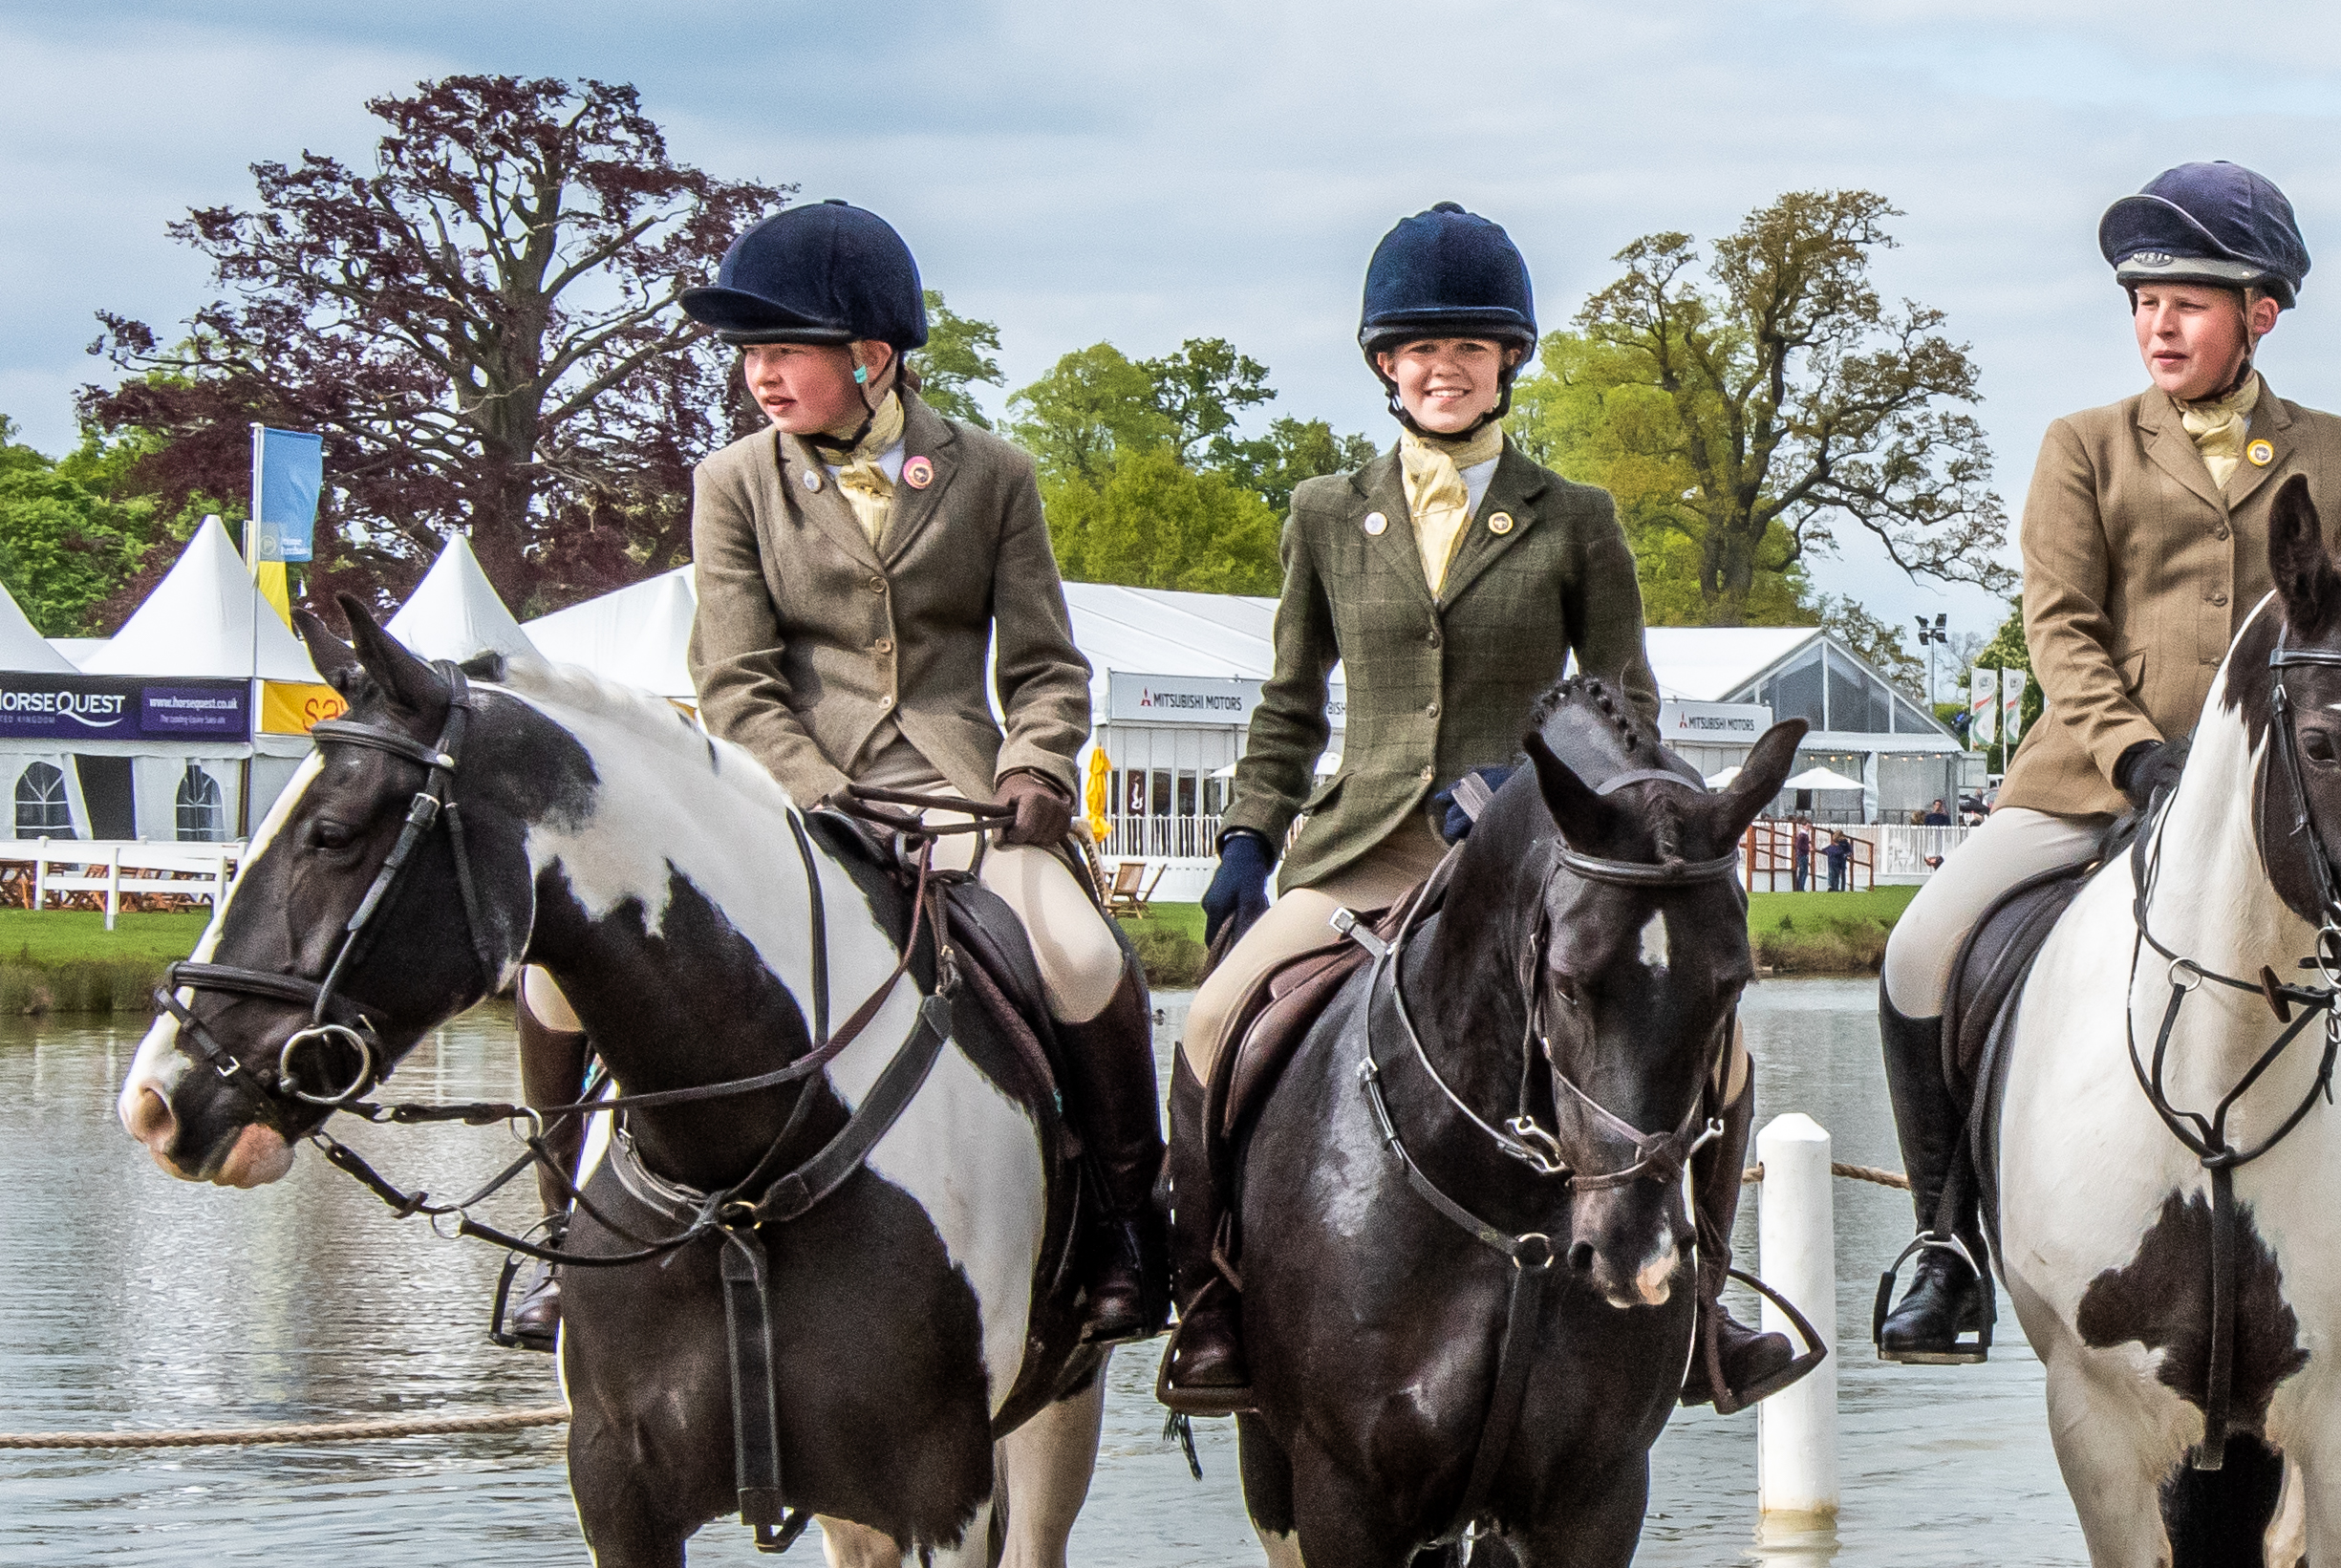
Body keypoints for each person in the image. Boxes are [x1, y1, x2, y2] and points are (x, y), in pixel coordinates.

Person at [1869, 160, 2341, 1364]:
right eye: (2143, 302)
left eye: (2187, 301)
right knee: (1919, 948)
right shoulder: (2083, 446)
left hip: (2292, 799)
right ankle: (1944, 1240)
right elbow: (2057, 628)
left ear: (2258, 314)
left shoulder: (2337, 449)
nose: (2157, 325)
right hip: (2092, 777)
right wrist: (2133, 758)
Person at [485, 201, 1169, 1354]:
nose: (759, 375)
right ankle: (558, 1237)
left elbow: (1047, 665)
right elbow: (737, 679)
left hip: (955, 791)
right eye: (748, 353)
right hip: (777, 799)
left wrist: (1038, 762)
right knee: (560, 973)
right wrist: (812, 789)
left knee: (1082, 952)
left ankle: (1122, 1228)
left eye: (781, 349)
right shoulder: (734, 482)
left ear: (872, 355)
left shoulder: (992, 474)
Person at [1157, 204, 1797, 1414]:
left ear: (1508, 361)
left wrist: (1515, 795)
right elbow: (1292, 699)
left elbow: (1622, 711)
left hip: (1531, 855)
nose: (1441, 369)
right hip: (1362, 848)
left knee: (1723, 1054)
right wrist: (1249, 836)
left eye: (1467, 349)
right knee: (1213, 1025)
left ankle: (1704, 1302)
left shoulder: (1577, 517)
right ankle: (1208, 1305)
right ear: (1383, 365)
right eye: (1416, 349)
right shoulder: (1320, 515)